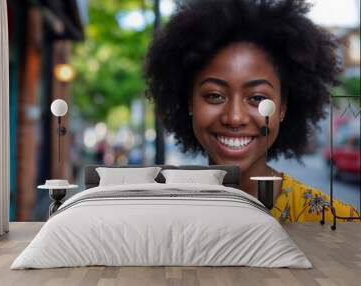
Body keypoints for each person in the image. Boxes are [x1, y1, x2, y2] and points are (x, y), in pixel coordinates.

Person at [144, 0, 359, 222]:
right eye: (214, 96)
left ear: (283, 107)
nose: (235, 117)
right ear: (190, 103)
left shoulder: (337, 221)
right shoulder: (156, 221)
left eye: (258, 98)